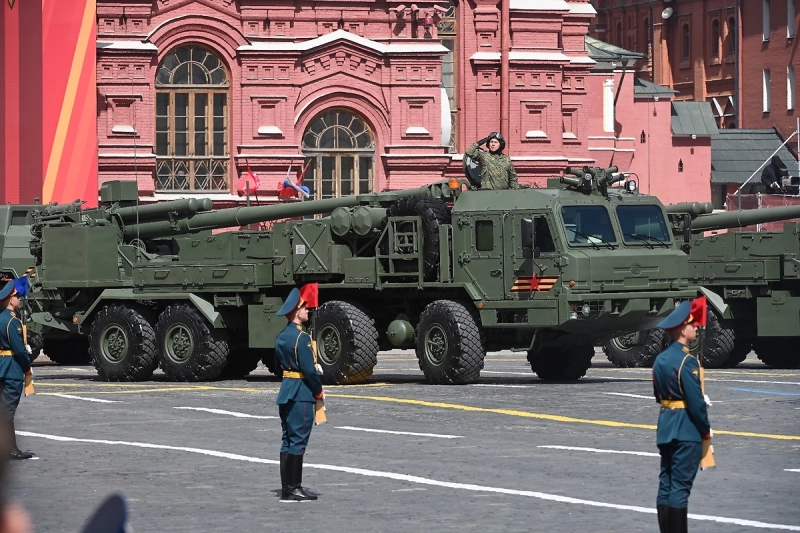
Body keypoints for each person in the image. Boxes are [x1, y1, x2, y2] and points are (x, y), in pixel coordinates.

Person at [651, 300, 711, 533]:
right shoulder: (688, 362)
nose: (696, 328)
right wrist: (705, 430)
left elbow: (658, 395)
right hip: (686, 429)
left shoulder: (660, 360)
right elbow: (696, 404)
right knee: (680, 488)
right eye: (693, 325)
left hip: (666, 426)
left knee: (665, 482)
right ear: (682, 329)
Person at [275, 287, 323, 502]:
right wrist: (318, 390)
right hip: (301, 393)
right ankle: (294, 488)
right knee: (298, 442)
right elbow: (309, 370)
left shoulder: (282, 336)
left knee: (287, 440)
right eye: (304, 307)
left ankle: (287, 487)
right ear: (297, 311)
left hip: (286, 391)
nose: (307, 311)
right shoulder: (301, 338)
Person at [0, 282, 33, 460]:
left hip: (1, 367)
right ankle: (10, 448)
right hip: (12, 368)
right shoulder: (12, 321)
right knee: (7, 412)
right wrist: (27, 367)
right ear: (11, 300)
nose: (19, 299)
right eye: (17, 296)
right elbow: (19, 350)